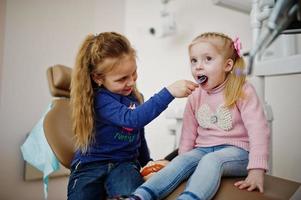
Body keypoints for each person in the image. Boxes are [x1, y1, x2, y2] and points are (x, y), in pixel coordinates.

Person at [126, 32, 270, 200]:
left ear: (228, 65)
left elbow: (258, 130)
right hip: (203, 150)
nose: (198, 66)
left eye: (207, 59)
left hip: (239, 153)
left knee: (211, 160)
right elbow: (188, 133)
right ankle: (140, 196)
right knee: (180, 160)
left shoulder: (242, 90)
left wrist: (256, 170)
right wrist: (184, 162)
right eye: (194, 60)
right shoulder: (195, 96)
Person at [67, 32, 199, 200]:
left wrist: (146, 162)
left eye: (133, 73)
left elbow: (137, 133)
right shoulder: (99, 99)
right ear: (98, 78)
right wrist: (169, 92)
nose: (131, 82)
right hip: (90, 166)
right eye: (122, 79)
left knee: (134, 195)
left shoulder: (134, 98)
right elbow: (133, 119)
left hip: (124, 165)